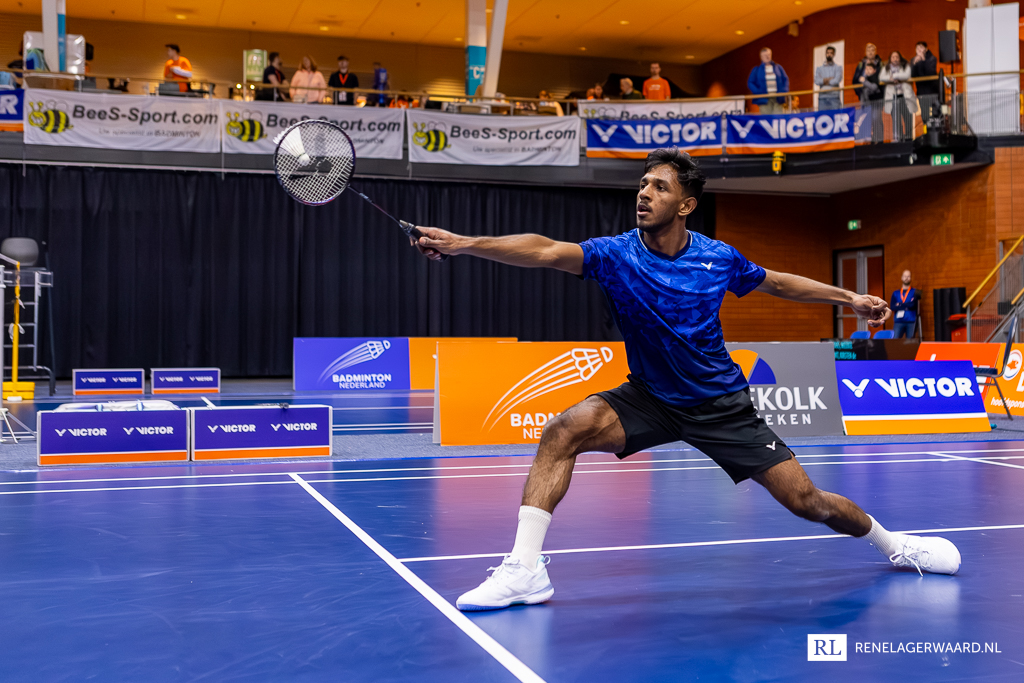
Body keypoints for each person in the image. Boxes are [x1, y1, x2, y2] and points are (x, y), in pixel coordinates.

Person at [409, 148, 962, 612]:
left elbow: (778, 282)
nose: (644, 194)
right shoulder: (615, 255)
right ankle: (525, 570)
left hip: (720, 404)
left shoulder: (718, 258)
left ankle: (895, 544)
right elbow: (546, 250)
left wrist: (849, 297)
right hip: (649, 397)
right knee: (562, 431)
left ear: (686, 204)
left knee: (807, 501)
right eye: (642, 184)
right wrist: (462, 243)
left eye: (659, 187)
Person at [880, 51, 917, 141]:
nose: (895, 59)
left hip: (905, 96)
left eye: (897, 57)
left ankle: (909, 138)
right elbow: (881, 77)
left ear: (900, 58)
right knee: (896, 119)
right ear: (890, 59)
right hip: (893, 97)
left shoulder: (905, 66)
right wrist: (889, 79)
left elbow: (907, 75)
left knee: (907, 117)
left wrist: (894, 76)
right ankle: (899, 138)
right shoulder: (886, 68)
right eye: (893, 57)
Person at [748, 47, 789, 114]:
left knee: (779, 117)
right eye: (765, 55)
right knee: (766, 118)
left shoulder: (778, 67)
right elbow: (750, 82)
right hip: (764, 99)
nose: (767, 57)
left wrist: (784, 91)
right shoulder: (756, 70)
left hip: (778, 98)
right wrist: (758, 92)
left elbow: (785, 79)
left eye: (768, 54)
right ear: (761, 57)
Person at [890, 270, 919, 339]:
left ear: (911, 278)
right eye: (905, 276)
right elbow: (892, 307)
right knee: (895, 341)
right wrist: (907, 305)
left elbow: (913, 305)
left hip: (911, 321)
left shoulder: (916, 291)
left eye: (908, 276)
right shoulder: (895, 293)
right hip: (898, 322)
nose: (906, 278)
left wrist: (900, 304)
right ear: (902, 278)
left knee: (910, 342)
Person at [814, 45, 843, 111]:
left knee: (835, 115)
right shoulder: (819, 69)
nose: (829, 55)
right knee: (822, 116)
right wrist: (829, 79)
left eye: (831, 53)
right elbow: (816, 81)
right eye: (827, 53)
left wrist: (824, 81)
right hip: (822, 97)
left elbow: (836, 80)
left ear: (834, 54)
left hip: (834, 97)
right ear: (825, 54)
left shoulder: (838, 68)